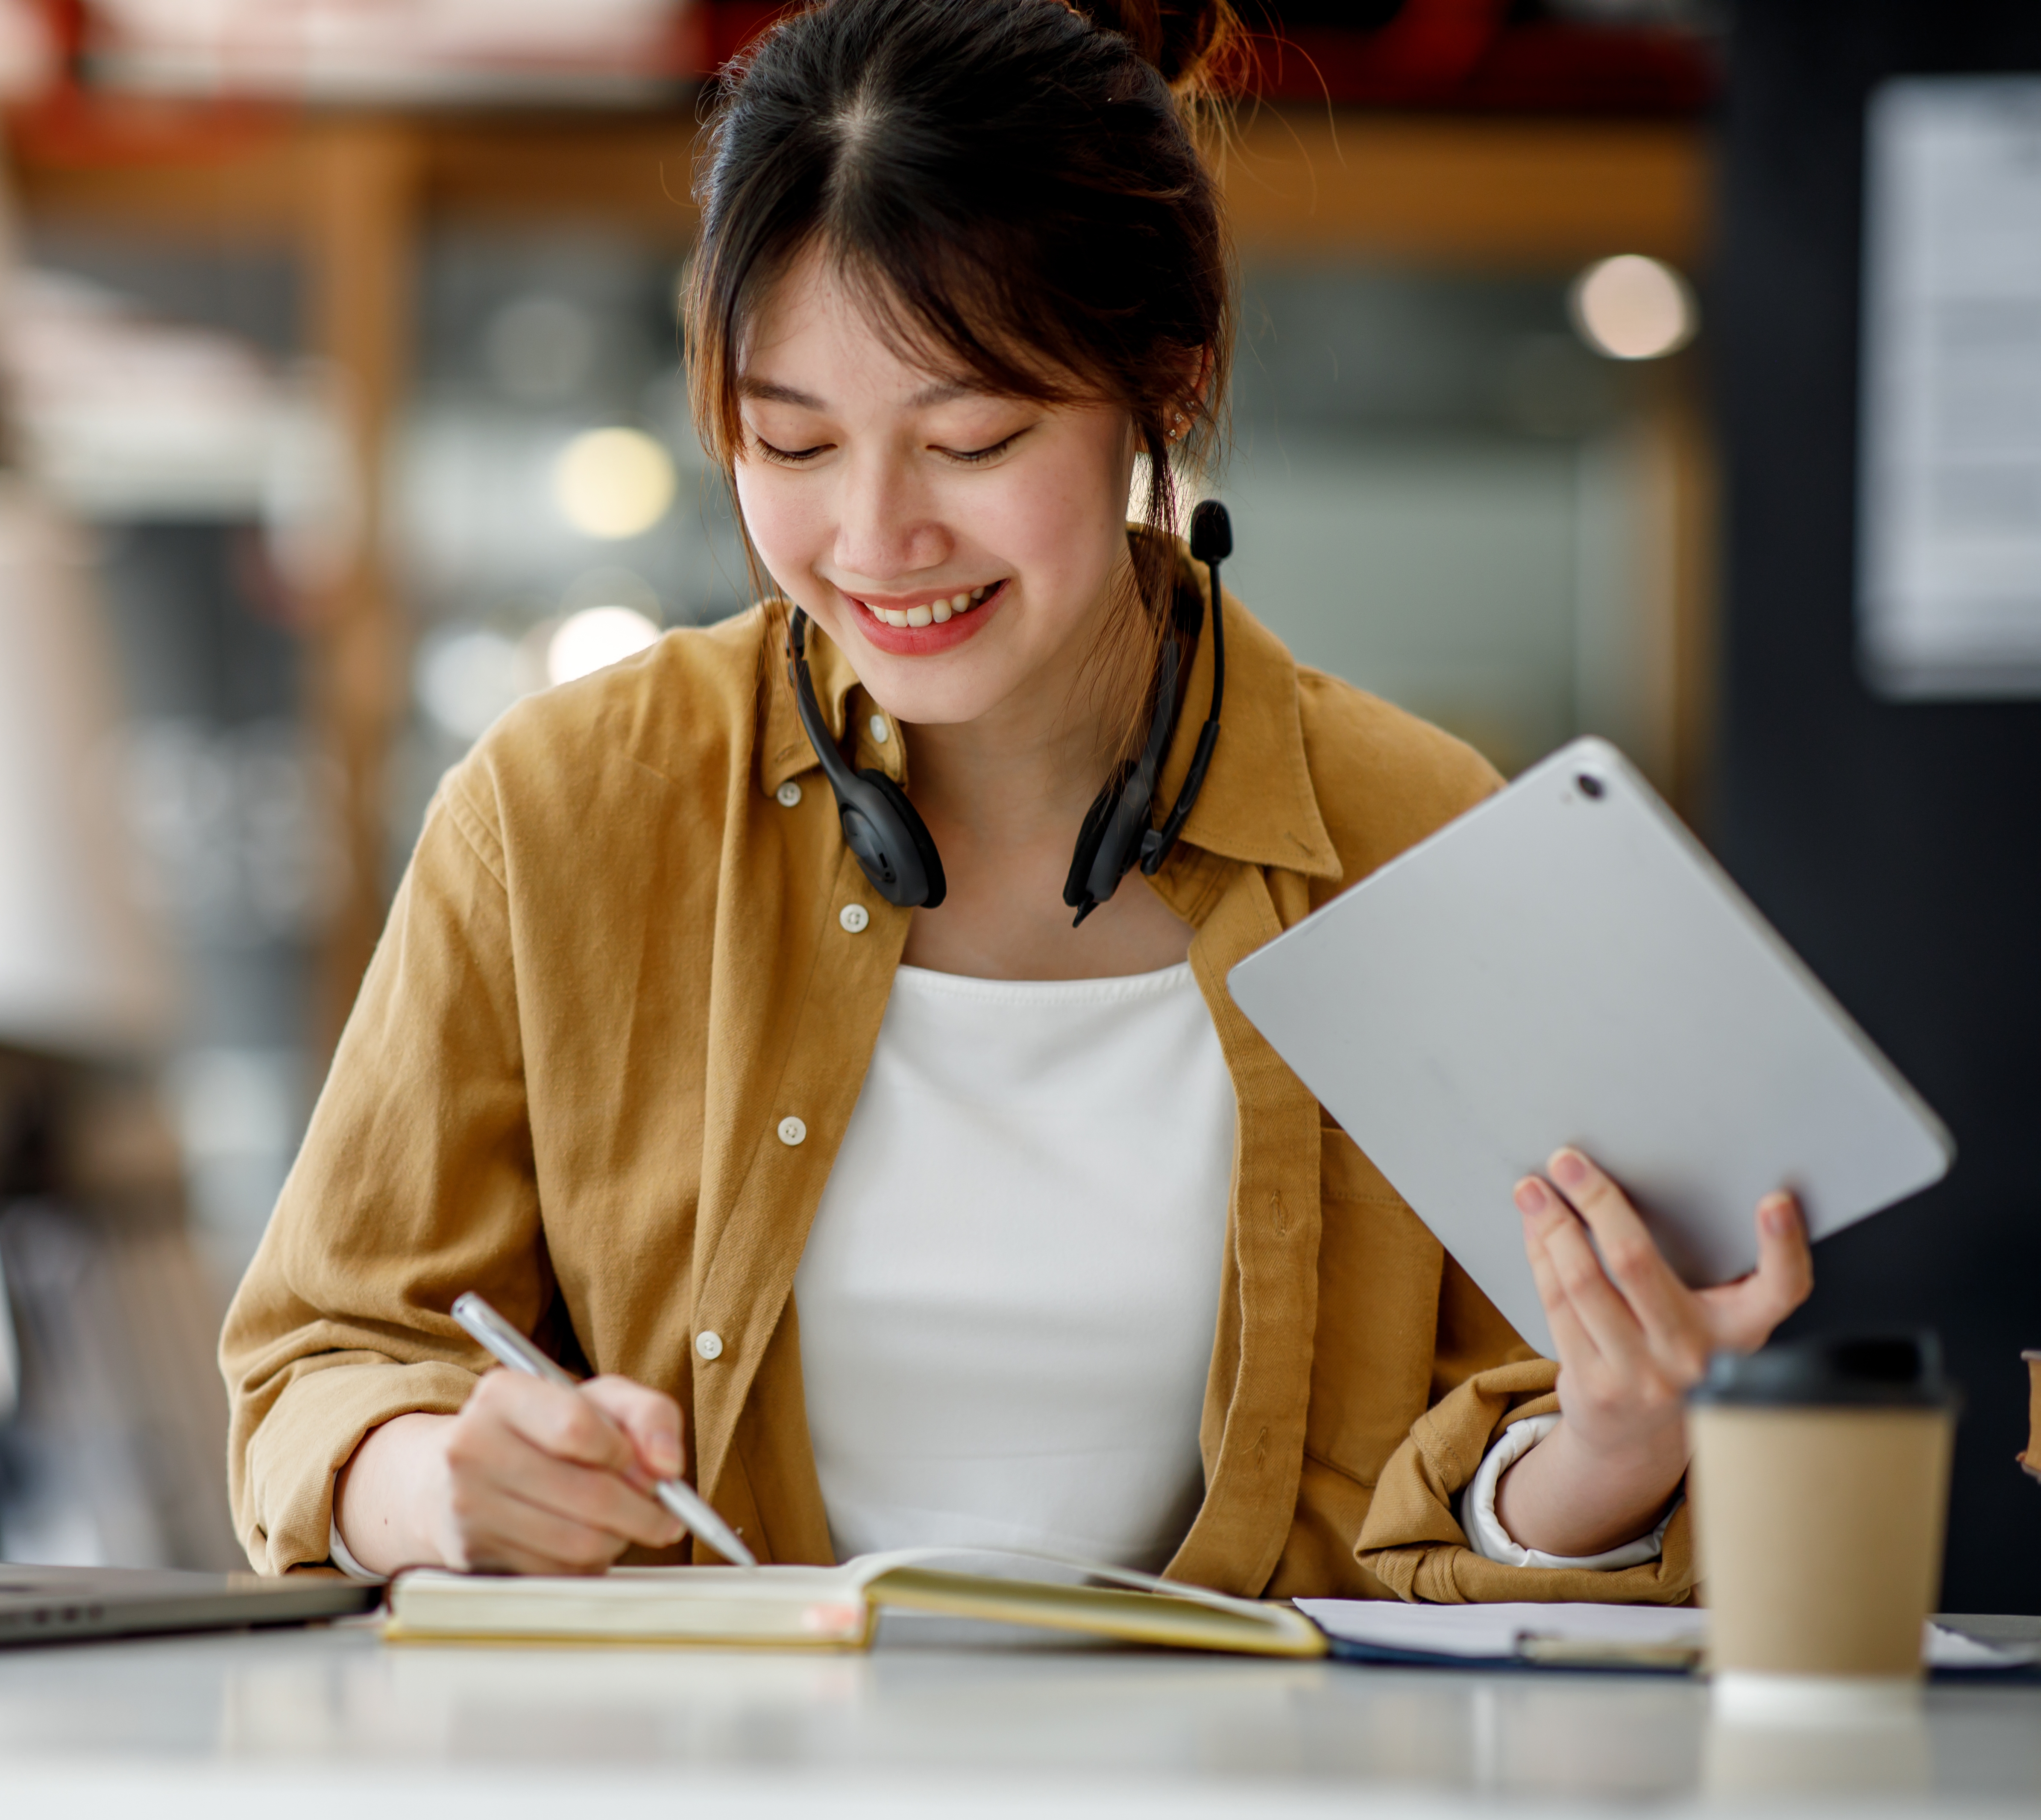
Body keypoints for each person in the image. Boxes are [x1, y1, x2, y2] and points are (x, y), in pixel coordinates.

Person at [220, 0, 1808, 1600]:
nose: (876, 535)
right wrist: (436, 1484)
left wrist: (1606, 1456)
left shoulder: (1421, 842)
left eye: (972, 439)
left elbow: (1498, 1456)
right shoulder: (566, 810)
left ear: (1162, 387)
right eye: (793, 444)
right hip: (705, 1819)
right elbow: (319, 1360)